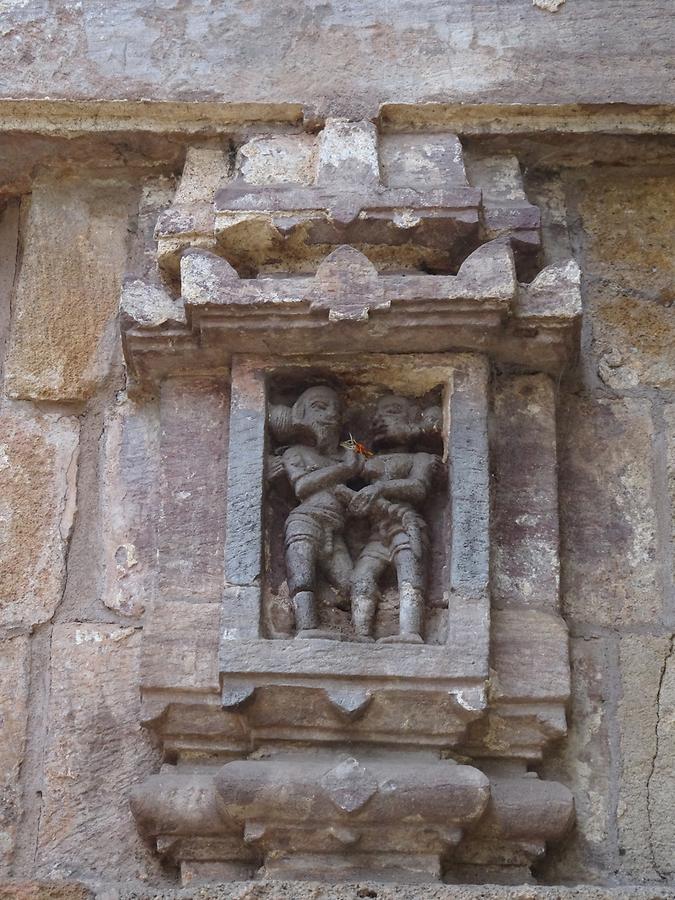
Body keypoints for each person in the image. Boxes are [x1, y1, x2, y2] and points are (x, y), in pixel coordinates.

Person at [348, 394, 441, 643]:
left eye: (391, 412)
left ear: (411, 420)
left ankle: (410, 633)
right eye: (377, 415)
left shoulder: (420, 459)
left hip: (406, 525)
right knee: (361, 578)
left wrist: (380, 488)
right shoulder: (368, 459)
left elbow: (418, 488)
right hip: (378, 532)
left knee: (409, 577)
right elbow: (345, 454)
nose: (380, 420)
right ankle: (361, 636)